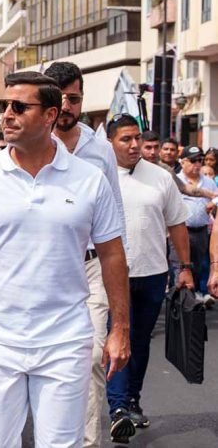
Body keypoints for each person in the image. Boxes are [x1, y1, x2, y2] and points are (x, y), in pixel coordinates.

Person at [0, 71, 131, 447]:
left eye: (19, 107)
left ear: (50, 116)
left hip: (65, 338)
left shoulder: (89, 179)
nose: (7, 114)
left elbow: (112, 255)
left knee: (61, 443)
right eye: (2, 106)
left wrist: (119, 328)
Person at [45, 60, 127, 448]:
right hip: (45, 267)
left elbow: (115, 215)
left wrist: (120, 274)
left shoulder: (101, 150)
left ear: (82, 100)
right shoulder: (32, 144)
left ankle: (87, 442)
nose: (66, 107)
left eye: (73, 99)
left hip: (92, 266)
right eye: (59, 98)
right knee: (44, 362)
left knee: (91, 357)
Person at [105, 114, 193, 441]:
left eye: (136, 139)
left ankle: (132, 400)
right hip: (114, 278)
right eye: (124, 139)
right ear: (110, 142)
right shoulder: (99, 177)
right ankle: (117, 408)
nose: (133, 145)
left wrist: (185, 267)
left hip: (153, 274)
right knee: (118, 340)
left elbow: (177, 225)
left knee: (139, 344)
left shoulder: (160, 178)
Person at [173, 146, 216, 305]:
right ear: (183, 162)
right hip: (180, 231)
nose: (197, 164)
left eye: (200, 160)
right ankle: (179, 301)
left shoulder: (209, 182)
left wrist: (213, 201)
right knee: (180, 267)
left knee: (197, 267)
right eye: (193, 160)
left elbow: (216, 198)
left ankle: (194, 297)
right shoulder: (175, 180)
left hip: (201, 232)